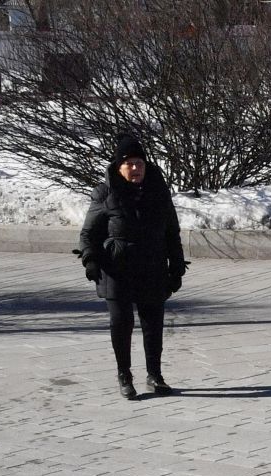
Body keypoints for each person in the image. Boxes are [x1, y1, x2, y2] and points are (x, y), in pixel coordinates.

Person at [78, 133, 188, 400]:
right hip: (116, 270)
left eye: (139, 163)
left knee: (153, 324)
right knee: (122, 322)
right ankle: (124, 376)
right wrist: (91, 261)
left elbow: (172, 233)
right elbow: (88, 234)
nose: (135, 168)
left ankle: (155, 375)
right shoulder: (105, 193)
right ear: (119, 167)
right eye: (129, 164)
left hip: (151, 267)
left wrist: (176, 267)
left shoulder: (158, 192)